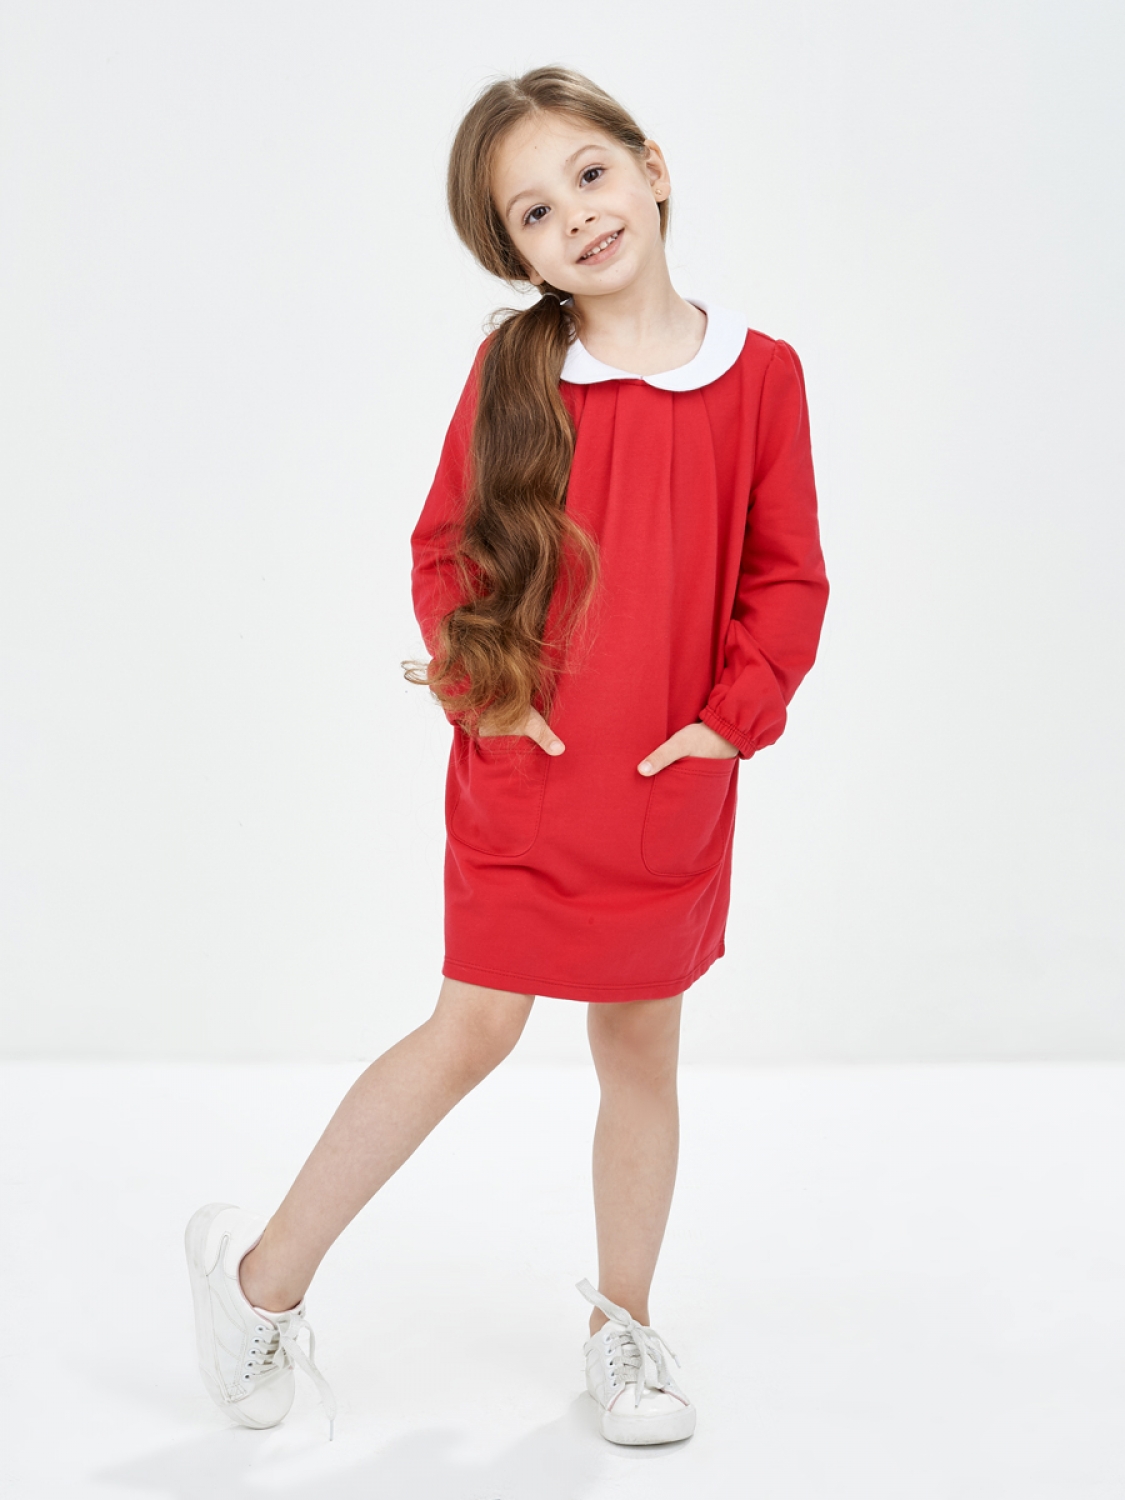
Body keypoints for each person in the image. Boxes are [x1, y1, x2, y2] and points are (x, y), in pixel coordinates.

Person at [184, 63, 829, 1448]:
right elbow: (445, 548)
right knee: (469, 1031)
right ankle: (257, 1285)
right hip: (528, 771)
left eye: (589, 176)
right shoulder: (518, 372)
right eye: (534, 212)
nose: (575, 217)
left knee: (641, 1050)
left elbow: (786, 577)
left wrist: (730, 718)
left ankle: (622, 1329)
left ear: (651, 167)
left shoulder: (761, 375)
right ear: (516, 254)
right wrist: (486, 695)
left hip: (667, 782)